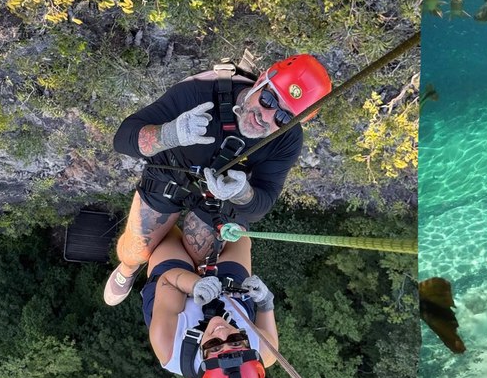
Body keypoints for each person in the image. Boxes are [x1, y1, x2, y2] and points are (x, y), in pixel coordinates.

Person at [104, 54, 332, 306]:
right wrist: (169, 134)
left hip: (221, 195)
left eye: (284, 118)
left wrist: (241, 192)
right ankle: (128, 269)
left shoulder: (287, 140)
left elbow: (262, 202)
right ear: (261, 80)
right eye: (268, 99)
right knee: (136, 251)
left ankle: (175, 273)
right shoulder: (198, 94)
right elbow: (123, 138)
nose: (266, 117)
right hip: (170, 172)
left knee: (198, 254)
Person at [142, 224, 279, 378]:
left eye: (214, 346)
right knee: (238, 233)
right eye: (235, 341)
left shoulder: (167, 344)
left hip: (172, 295)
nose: (222, 331)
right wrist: (265, 300)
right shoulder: (266, 351)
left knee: (165, 230)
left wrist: (195, 284)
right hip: (229, 293)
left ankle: (128, 265)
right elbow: (266, 308)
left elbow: (168, 280)